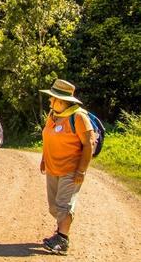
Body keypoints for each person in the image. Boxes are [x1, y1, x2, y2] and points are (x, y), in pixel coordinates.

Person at [39, 79, 94, 256]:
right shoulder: (53, 114)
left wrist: (81, 171)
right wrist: (43, 158)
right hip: (52, 167)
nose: (49, 101)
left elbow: (88, 144)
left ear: (61, 101)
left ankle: (62, 239)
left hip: (70, 169)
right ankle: (60, 232)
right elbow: (47, 137)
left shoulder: (78, 117)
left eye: (52, 98)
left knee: (64, 205)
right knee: (54, 206)